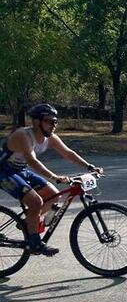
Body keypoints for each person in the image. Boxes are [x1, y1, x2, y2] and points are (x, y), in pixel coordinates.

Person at [0, 104, 103, 256]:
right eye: (49, 121)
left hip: (20, 170)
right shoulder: (23, 135)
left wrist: (89, 167)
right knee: (35, 202)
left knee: (54, 195)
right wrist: (55, 177)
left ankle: (28, 223)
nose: (53, 125)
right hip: (3, 171)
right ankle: (35, 243)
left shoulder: (50, 138)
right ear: (36, 122)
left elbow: (68, 153)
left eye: (55, 122)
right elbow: (33, 161)